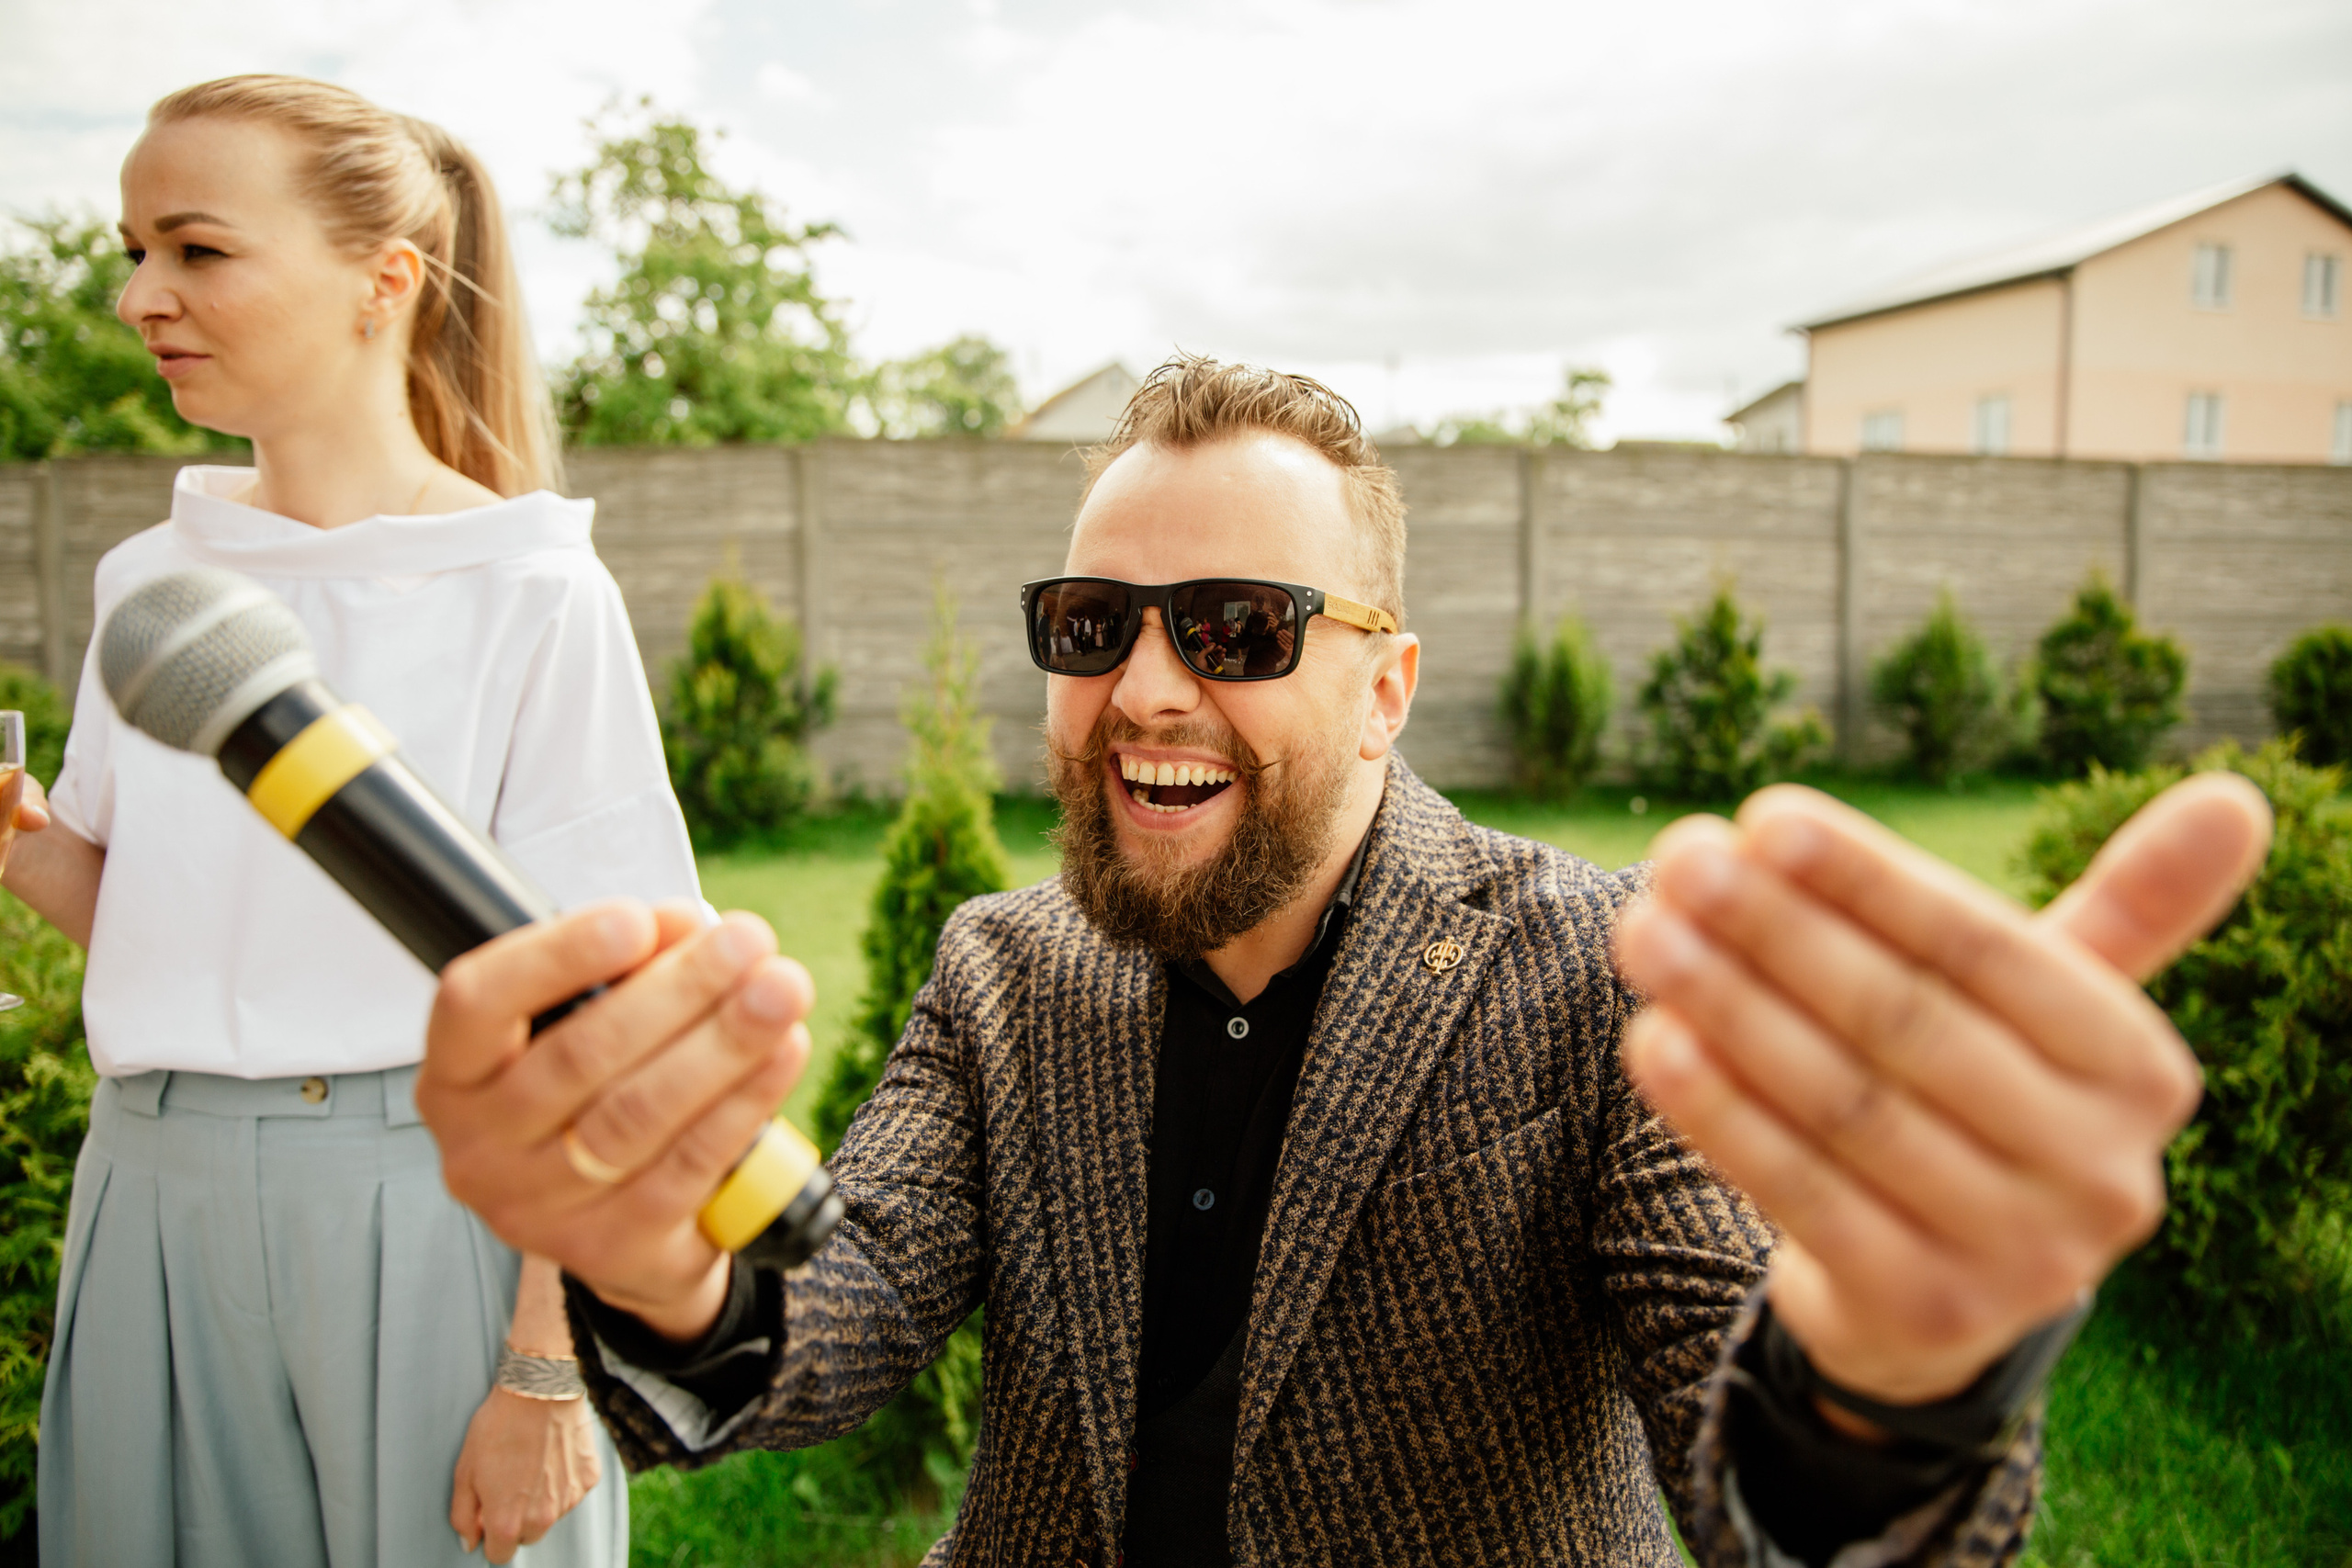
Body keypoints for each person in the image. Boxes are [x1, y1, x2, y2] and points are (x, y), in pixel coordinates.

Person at [414, 359, 2270, 1567]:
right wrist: (659, 1254)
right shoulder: (1003, 969)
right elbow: (846, 1302)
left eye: (1236, 626)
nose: (1145, 685)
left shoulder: (1591, 966)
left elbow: (1748, 1456)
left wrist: (1887, 1379)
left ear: (1385, 685)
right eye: (1093, 623)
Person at [0, 74, 698, 1566]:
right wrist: (20, 845)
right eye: (135, 250)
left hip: (439, 1212)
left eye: (197, 248)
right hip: (153, 1202)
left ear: (386, 282)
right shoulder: (148, 584)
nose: (139, 296)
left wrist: (545, 1367)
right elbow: (156, 918)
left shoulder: (531, 590)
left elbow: (613, 1021)